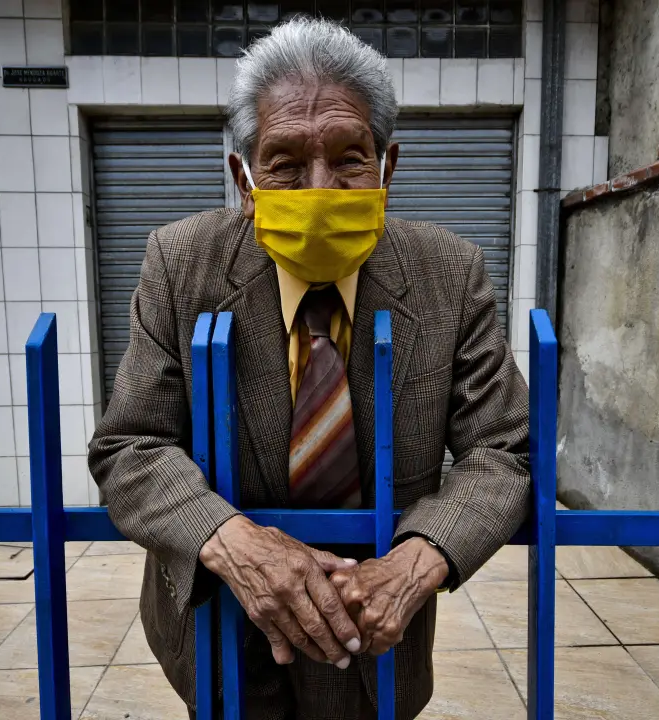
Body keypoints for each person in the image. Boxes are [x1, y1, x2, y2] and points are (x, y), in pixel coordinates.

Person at [88, 17, 529, 720]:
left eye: (349, 158)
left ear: (387, 168)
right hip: (221, 640)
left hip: (376, 646)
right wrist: (235, 545)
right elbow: (130, 445)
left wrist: (416, 562)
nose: (319, 188)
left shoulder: (450, 275)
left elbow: (505, 449)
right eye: (285, 163)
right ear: (244, 179)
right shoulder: (180, 264)